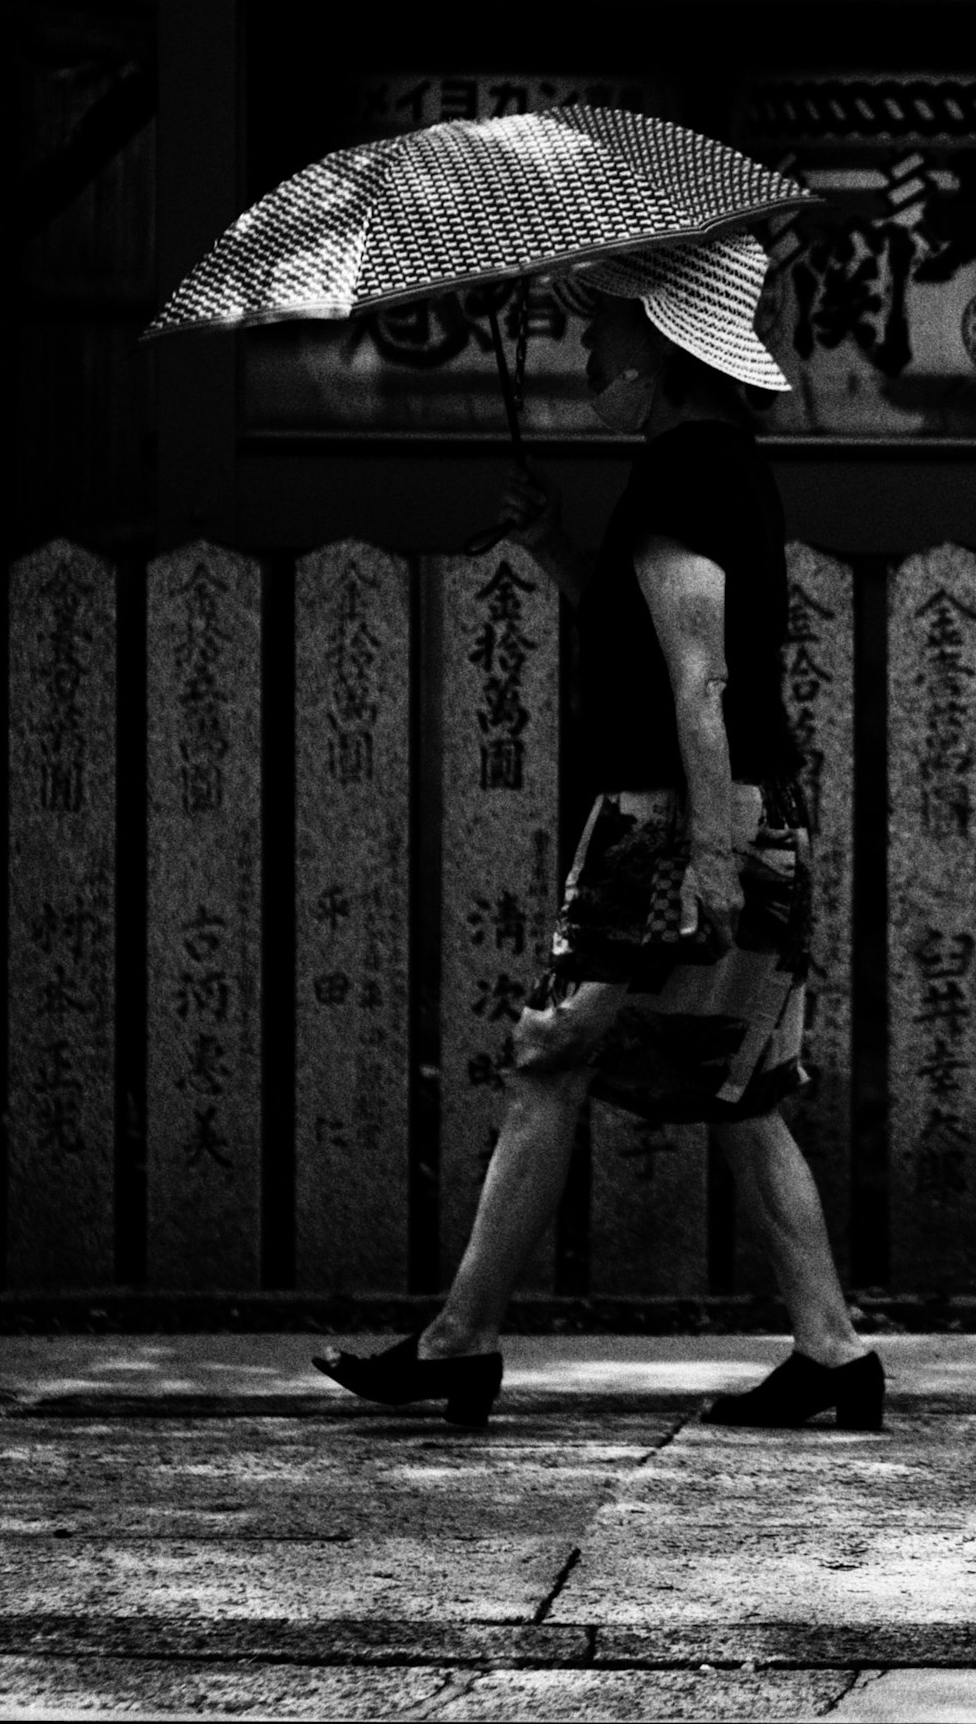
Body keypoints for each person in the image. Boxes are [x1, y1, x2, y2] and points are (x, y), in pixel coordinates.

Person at [316, 241, 880, 1433]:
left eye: (607, 333)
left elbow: (698, 679)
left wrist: (707, 858)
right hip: (742, 808)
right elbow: (642, 634)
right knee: (745, 1087)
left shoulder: (684, 470)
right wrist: (552, 543)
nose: (590, 352)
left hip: (673, 820)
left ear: (664, 345)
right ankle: (831, 1352)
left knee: (550, 1058)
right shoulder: (713, 463)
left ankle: (461, 1340)